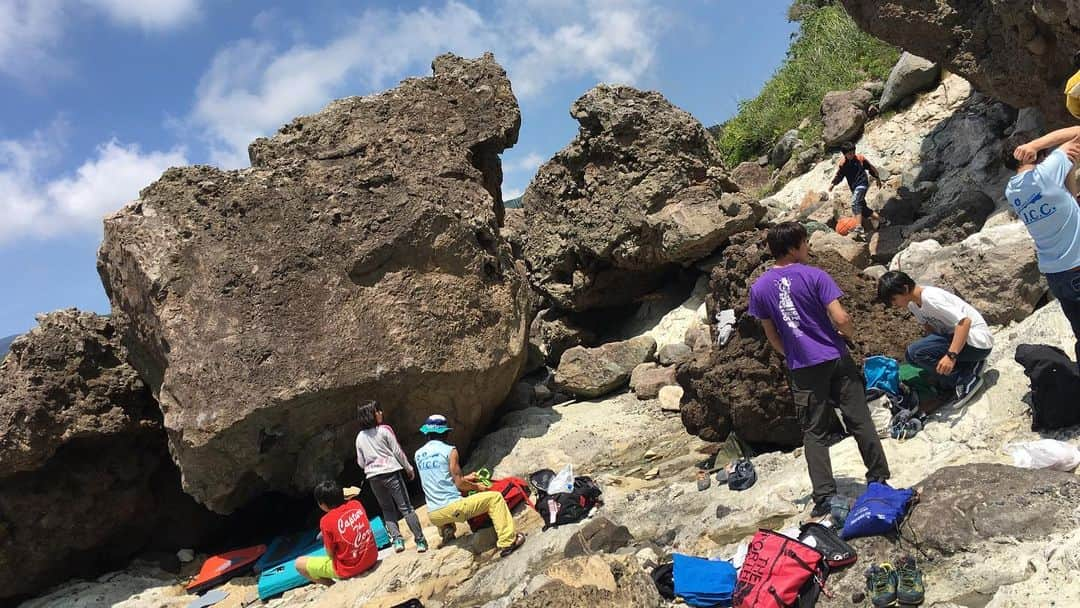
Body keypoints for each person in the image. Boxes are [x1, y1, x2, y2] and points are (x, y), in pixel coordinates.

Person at [748, 222, 891, 517]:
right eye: (804, 243)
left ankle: (824, 494)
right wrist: (849, 336)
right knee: (859, 419)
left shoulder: (760, 288)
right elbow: (841, 317)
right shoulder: (815, 275)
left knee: (814, 432)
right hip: (835, 356)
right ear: (792, 247)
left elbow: (771, 334)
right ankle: (878, 477)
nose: (808, 248)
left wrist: (791, 353)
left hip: (803, 366)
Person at [1006, 129, 1080, 365]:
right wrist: (1036, 144)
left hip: (1055, 274)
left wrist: (1070, 171)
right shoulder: (1045, 174)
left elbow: (1068, 196)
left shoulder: (1012, 191)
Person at [413, 414, 526, 557]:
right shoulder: (449, 450)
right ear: (445, 433)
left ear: (427, 433)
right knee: (495, 498)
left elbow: (439, 480)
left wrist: (467, 478)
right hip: (453, 509)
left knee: (441, 500)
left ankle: (447, 531)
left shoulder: (418, 454)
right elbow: (459, 483)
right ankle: (508, 541)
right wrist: (477, 486)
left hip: (434, 515)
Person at [877, 271, 993, 402]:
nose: (894, 304)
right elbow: (931, 330)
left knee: (915, 352)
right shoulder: (913, 304)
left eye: (894, 299)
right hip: (964, 343)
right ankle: (968, 366)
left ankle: (965, 379)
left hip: (978, 341)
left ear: (905, 288)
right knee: (912, 356)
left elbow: (964, 322)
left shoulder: (931, 298)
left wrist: (951, 356)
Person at [355, 400, 428, 553]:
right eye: (377, 411)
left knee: (387, 509)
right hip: (391, 472)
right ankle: (420, 541)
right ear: (371, 415)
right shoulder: (384, 430)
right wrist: (408, 468)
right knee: (406, 507)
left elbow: (361, 462)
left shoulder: (360, 437)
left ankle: (397, 541)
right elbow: (397, 451)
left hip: (373, 477)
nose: (381, 413)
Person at [295, 480, 378, 586]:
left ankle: (332, 586)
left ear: (322, 504)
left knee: (299, 563)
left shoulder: (326, 521)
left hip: (349, 569)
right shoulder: (356, 504)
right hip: (371, 558)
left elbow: (330, 554)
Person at [828, 141, 886, 236]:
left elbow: (871, 168)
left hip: (862, 184)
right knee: (863, 209)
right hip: (854, 188)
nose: (852, 155)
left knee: (855, 203)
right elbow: (839, 176)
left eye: (853, 152)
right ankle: (883, 220)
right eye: (850, 154)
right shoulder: (843, 164)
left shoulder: (860, 159)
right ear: (845, 154)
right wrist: (833, 184)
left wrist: (877, 178)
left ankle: (859, 227)